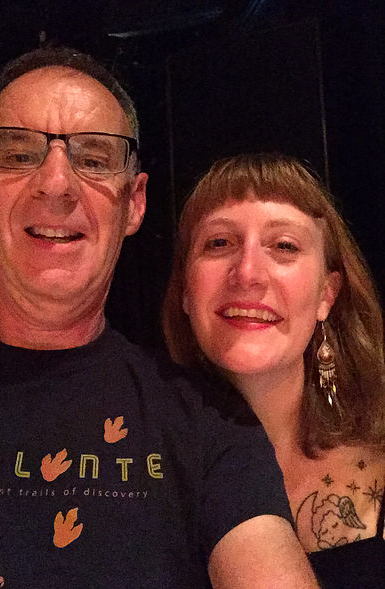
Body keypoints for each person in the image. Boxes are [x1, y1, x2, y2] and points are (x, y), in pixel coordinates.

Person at [0, 49, 319, 588]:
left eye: (94, 160)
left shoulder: (208, 421)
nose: (56, 184)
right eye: (21, 154)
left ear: (135, 204)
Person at [163, 153, 385, 588]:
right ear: (186, 290)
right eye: (219, 243)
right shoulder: (131, 475)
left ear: (327, 294)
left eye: (284, 246)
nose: (248, 273)